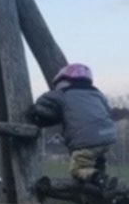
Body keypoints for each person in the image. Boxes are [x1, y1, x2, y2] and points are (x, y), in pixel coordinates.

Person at [27, 62, 119, 190]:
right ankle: (102, 180)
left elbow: (43, 101)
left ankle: (101, 179)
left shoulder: (62, 94)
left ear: (63, 81)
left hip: (87, 141)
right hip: (108, 137)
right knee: (96, 158)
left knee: (78, 170)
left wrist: (36, 112)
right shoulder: (98, 94)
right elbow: (108, 112)